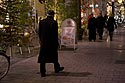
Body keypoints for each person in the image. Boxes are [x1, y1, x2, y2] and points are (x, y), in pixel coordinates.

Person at [38, 10, 64, 77]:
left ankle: (42, 72)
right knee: (54, 56)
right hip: (51, 43)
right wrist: (57, 43)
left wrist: (41, 40)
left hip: (44, 43)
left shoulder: (41, 22)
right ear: (53, 15)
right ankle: (57, 68)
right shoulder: (54, 22)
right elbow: (55, 34)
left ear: (47, 14)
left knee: (43, 57)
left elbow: (39, 33)